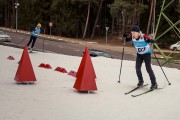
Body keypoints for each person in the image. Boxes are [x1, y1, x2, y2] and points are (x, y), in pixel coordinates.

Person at [124, 25, 158, 90]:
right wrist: (125, 38)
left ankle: (154, 84)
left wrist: (151, 40)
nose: (133, 34)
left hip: (147, 54)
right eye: (132, 32)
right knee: (137, 68)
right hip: (139, 55)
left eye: (134, 32)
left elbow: (149, 39)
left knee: (148, 69)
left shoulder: (143, 36)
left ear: (138, 32)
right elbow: (127, 40)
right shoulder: (132, 37)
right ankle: (141, 81)